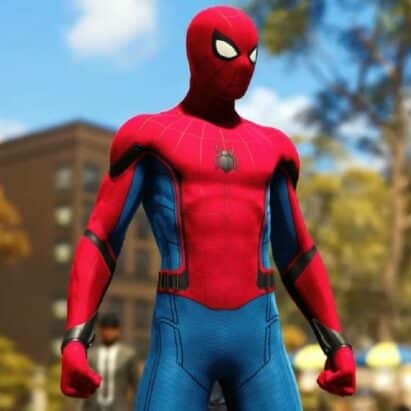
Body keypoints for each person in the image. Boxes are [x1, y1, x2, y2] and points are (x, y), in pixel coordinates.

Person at [60, 6, 356, 410]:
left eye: (252, 55)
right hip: (182, 340)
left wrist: (337, 343)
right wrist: (76, 339)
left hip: (260, 341)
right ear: (196, 53)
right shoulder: (150, 137)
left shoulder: (273, 148)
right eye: (227, 50)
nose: (243, 66)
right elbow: (102, 238)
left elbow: (297, 252)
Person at [80, 313, 137, 411]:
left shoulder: (128, 355)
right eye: (105, 329)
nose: (108, 332)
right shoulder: (90, 355)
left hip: (119, 407)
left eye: (112, 329)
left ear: (118, 331)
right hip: (92, 407)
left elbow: (136, 384)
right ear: (100, 330)